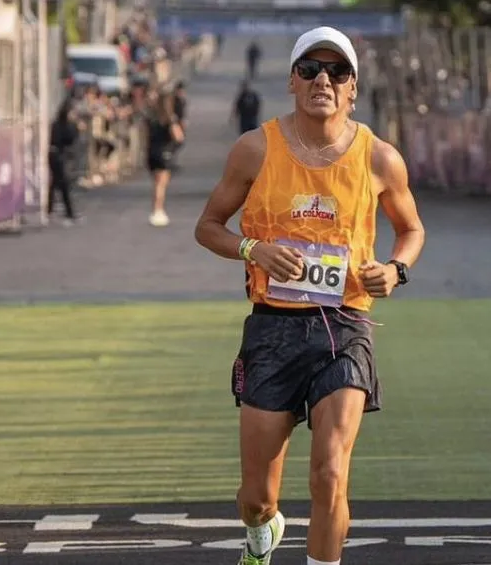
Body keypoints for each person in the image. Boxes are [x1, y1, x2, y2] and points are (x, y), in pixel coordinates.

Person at [193, 26, 425, 565]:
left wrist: (395, 270)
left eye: (337, 71)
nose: (324, 79)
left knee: (330, 473)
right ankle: (262, 531)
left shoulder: (380, 159)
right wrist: (254, 249)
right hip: (272, 328)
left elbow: (412, 231)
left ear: (352, 90)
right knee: (256, 498)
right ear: (293, 82)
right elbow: (208, 227)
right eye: (311, 70)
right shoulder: (254, 149)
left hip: (345, 327)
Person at [145, 87, 184, 227]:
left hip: (151, 152)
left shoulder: (152, 116)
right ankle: (158, 210)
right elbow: (179, 137)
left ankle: (156, 209)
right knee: (161, 185)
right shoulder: (169, 118)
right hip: (164, 153)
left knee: (156, 183)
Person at [48, 97, 81, 225]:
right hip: (56, 155)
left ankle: (51, 209)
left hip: (58, 155)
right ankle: (68, 212)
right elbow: (68, 138)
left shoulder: (63, 124)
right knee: (63, 184)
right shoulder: (60, 125)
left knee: (56, 184)